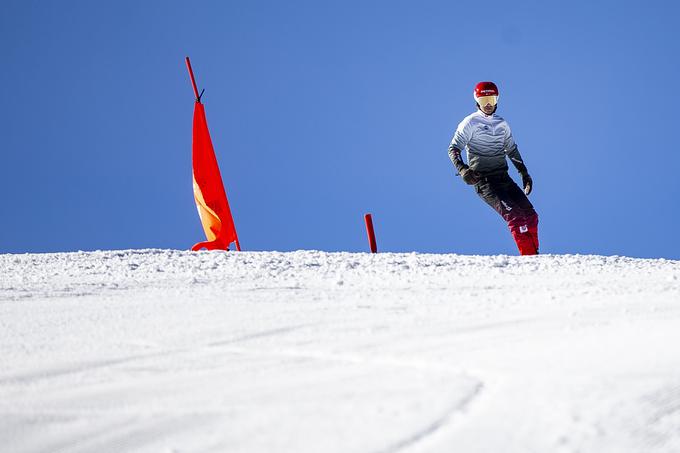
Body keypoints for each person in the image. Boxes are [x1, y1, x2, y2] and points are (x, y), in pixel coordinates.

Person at [448, 81, 539, 255]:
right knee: (516, 218)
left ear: (497, 99)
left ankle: (535, 256)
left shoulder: (502, 124)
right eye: (483, 101)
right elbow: (453, 149)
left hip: (504, 178)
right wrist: (463, 170)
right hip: (484, 181)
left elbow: (511, 149)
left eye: (491, 99)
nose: (488, 104)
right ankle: (530, 260)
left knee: (531, 217)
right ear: (477, 102)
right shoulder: (470, 123)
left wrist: (524, 173)